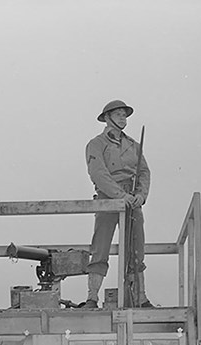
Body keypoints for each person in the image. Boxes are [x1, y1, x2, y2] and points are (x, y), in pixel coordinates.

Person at [83, 99, 153, 309]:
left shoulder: (133, 145)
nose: (123, 118)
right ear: (107, 117)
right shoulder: (96, 144)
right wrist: (119, 195)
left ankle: (140, 298)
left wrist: (140, 195)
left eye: (125, 114)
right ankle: (92, 298)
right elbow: (98, 173)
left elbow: (144, 172)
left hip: (132, 201)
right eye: (119, 114)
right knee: (100, 247)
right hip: (108, 199)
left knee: (136, 249)